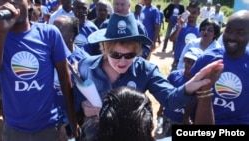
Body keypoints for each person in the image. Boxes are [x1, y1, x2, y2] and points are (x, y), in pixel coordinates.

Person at [72, 13, 223, 140]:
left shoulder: (146, 70)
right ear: (104, 49)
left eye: (130, 55)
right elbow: (73, 99)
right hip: (94, 135)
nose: (122, 61)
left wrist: (188, 87)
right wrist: (82, 107)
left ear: (137, 51)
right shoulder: (86, 66)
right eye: (116, 55)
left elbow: (169, 99)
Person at [0, 0, 78, 140]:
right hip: (13, 131)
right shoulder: (1, 37)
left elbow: (65, 80)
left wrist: (72, 119)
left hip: (48, 129)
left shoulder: (49, 34)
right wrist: (2, 32)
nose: (11, 2)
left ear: (29, 3)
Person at [190, 10, 249, 124]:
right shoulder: (207, 58)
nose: (232, 37)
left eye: (240, 33)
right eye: (229, 30)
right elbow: (190, 95)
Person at [53, 15, 89, 141]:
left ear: (72, 34)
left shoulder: (85, 60)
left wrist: (71, 121)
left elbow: (87, 96)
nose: (53, 31)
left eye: (59, 29)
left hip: (74, 121)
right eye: (52, 27)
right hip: (49, 121)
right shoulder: (44, 57)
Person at [159, 47, 203, 137]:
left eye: (194, 63)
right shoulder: (174, 75)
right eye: (188, 61)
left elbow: (195, 102)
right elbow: (165, 94)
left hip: (183, 121)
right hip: (168, 116)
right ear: (184, 60)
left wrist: (187, 118)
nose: (190, 66)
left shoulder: (199, 83)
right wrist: (160, 110)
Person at [169, 0, 201, 71]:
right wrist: (179, 27)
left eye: (194, 13)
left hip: (194, 65)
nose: (191, 15)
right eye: (189, 12)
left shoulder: (201, 30)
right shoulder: (180, 25)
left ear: (199, 13)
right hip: (177, 63)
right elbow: (171, 39)